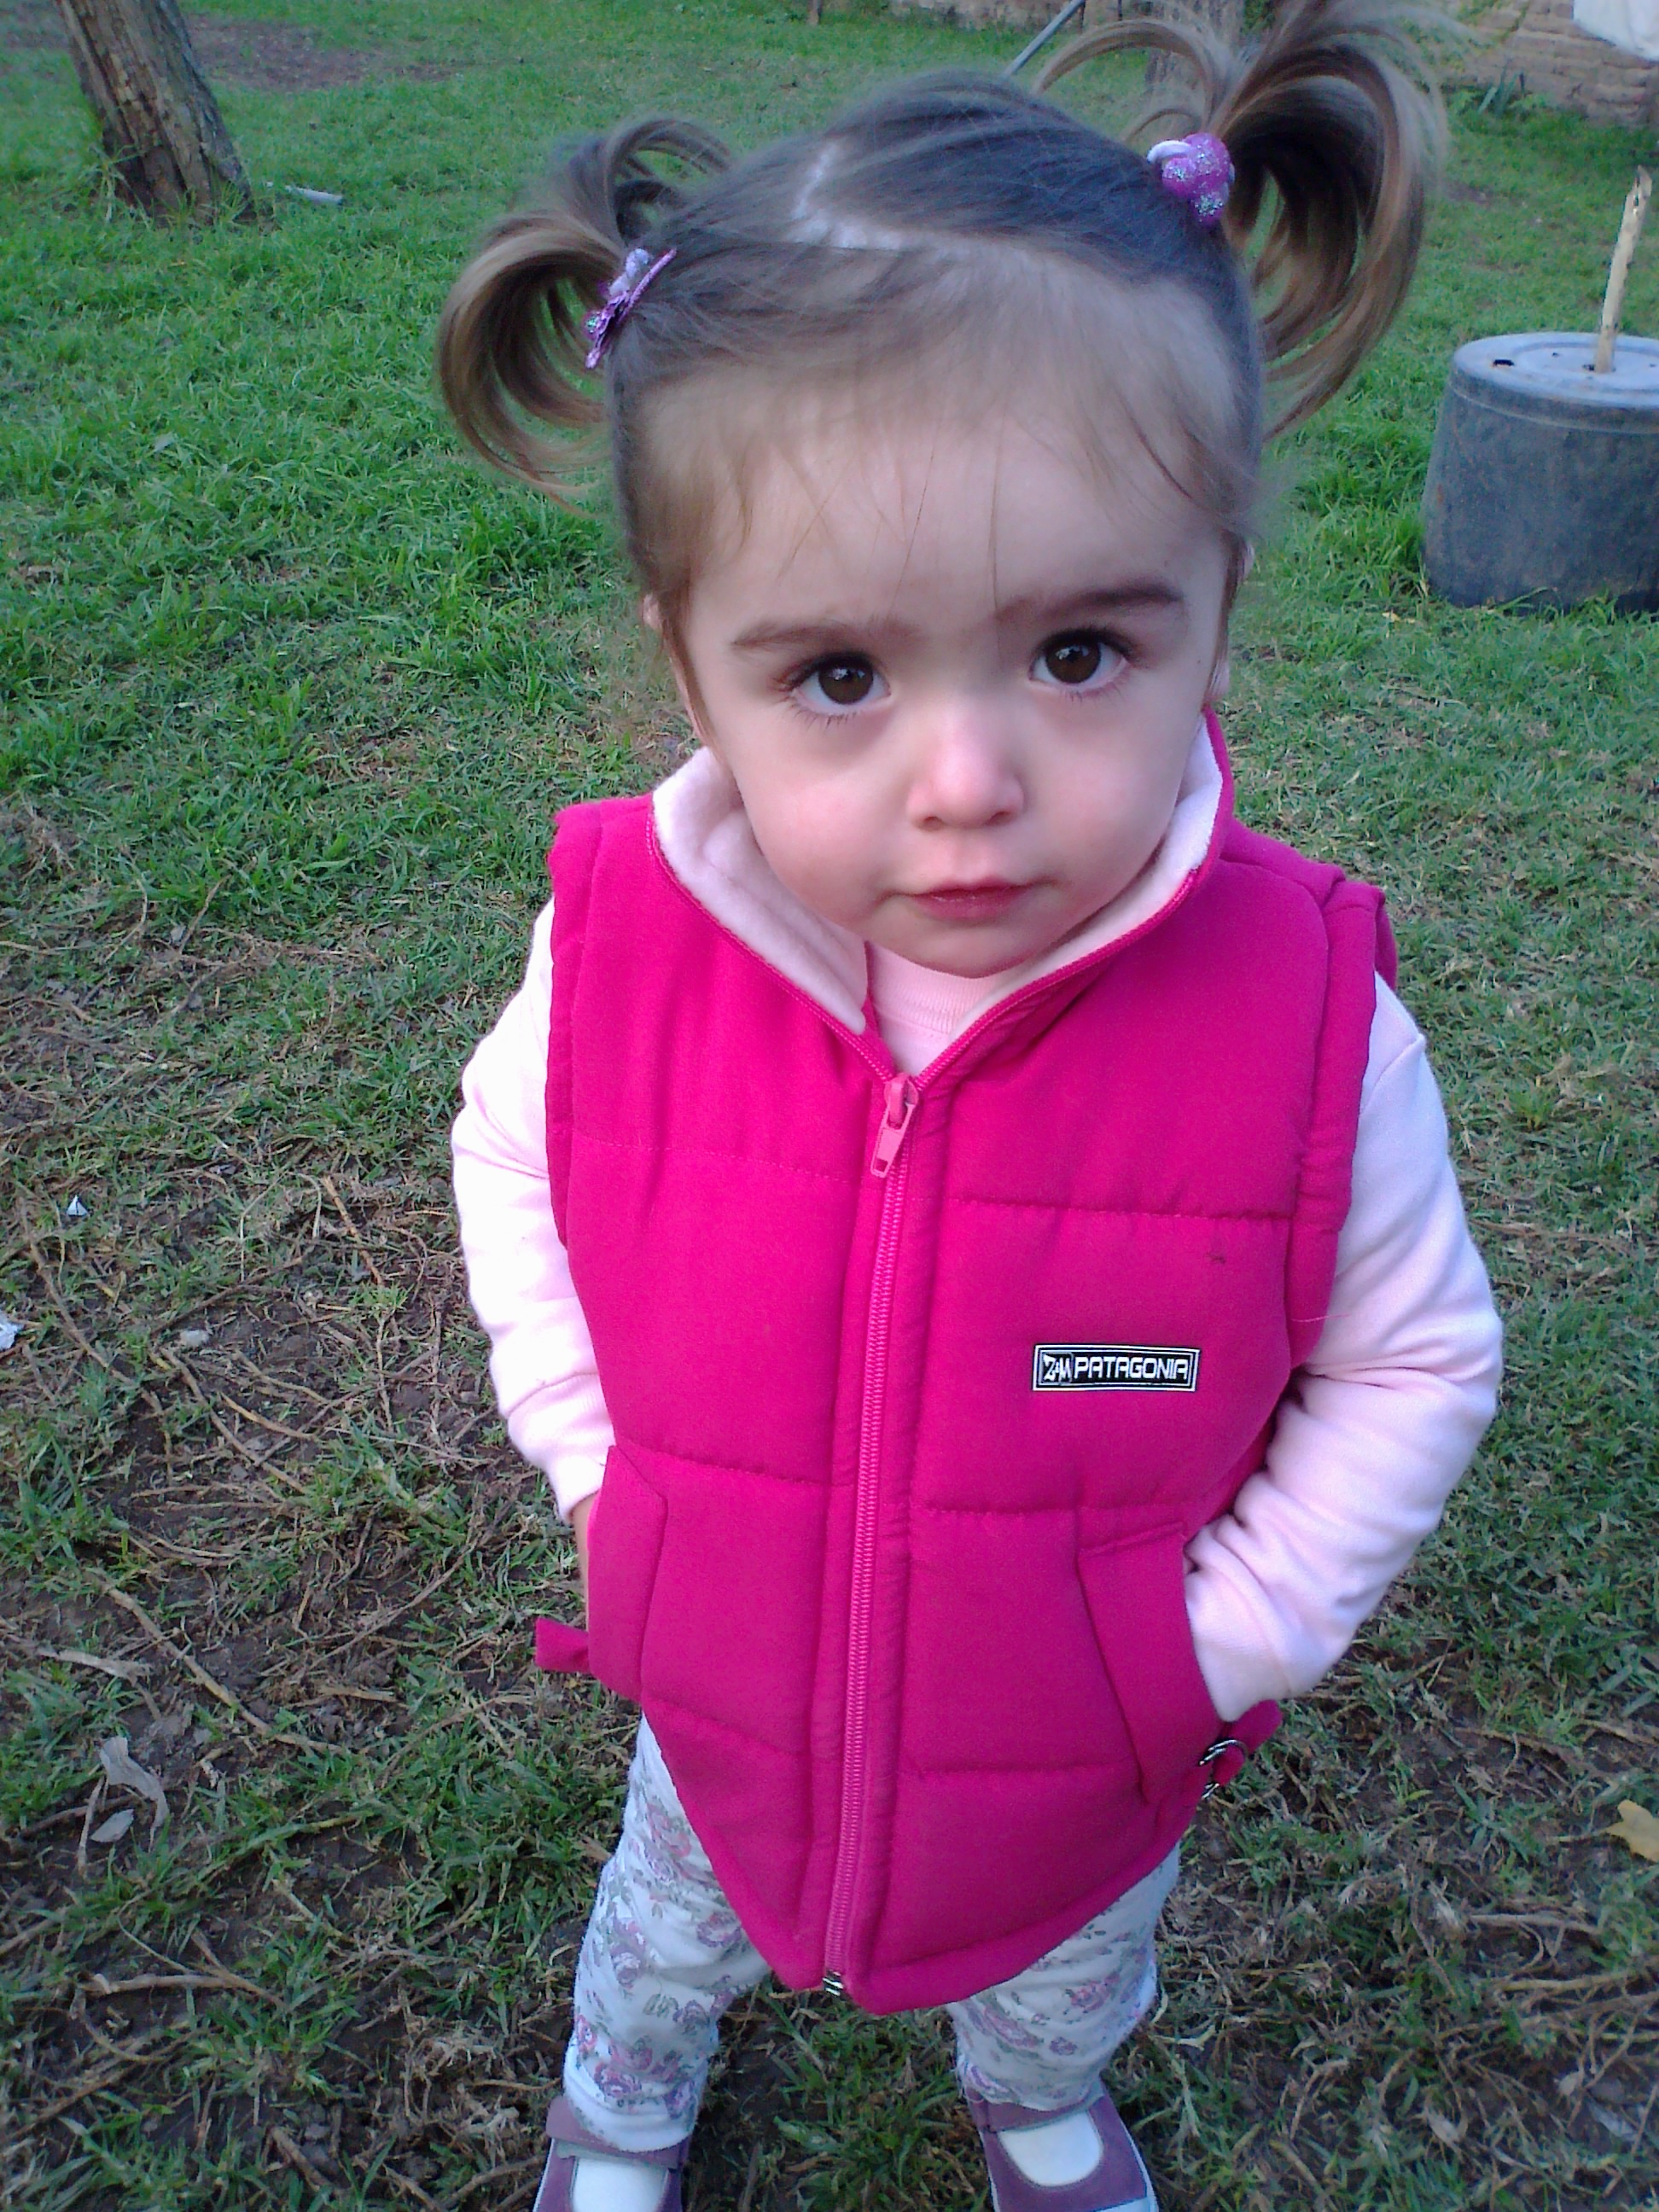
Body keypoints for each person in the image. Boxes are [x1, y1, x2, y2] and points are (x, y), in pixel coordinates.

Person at [441, 3, 1502, 2205]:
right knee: (666, 1925)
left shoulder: (1309, 1021)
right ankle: (621, 2098)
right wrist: (599, 1470)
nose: (967, 783)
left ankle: (1035, 2100)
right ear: (691, 660)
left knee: (1060, 1982)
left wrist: (1209, 1645)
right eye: (839, 673)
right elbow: (513, 1159)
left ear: (1217, 616)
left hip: (1080, 1762)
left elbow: (1415, 1356)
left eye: (1079, 652)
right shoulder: (622, 950)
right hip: (721, 1698)